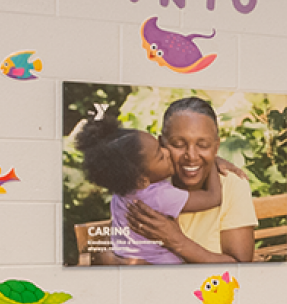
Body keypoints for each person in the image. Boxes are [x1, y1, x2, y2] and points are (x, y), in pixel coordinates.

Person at [75, 112, 222, 264]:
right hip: (159, 263)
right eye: (160, 157)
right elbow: (213, 198)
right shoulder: (159, 196)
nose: (167, 152)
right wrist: (211, 162)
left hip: (124, 257)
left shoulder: (121, 193)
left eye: (160, 147)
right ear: (142, 181)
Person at [123, 98, 257, 263]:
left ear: (216, 147)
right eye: (178, 144)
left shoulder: (232, 184)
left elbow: (240, 267)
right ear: (161, 145)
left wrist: (176, 241)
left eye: (203, 145)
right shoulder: (146, 184)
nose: (191, 156)